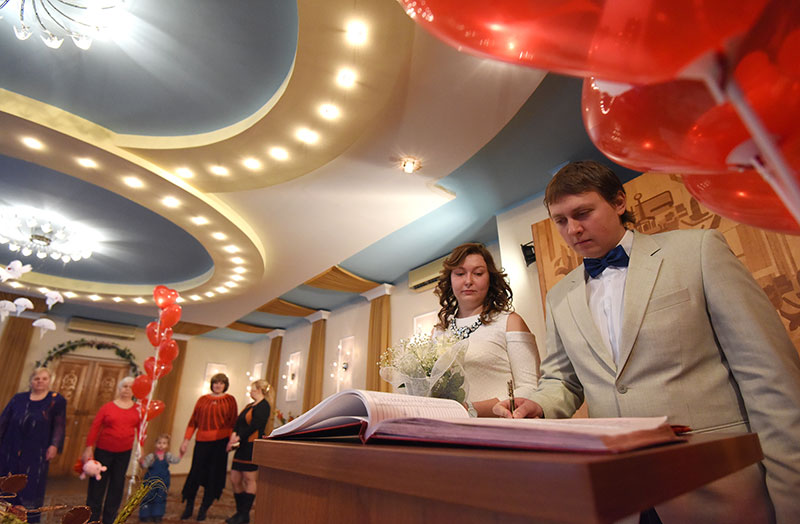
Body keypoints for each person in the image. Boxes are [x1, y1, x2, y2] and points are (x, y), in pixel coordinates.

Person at [494, 160, 800, 523]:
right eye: (560, 220)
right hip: (622, 495)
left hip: (715, 483)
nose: (572, 229)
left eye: (583, 213)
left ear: (619, 202)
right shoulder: (560, 296)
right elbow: (562, 379)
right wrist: (539, 405)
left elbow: (769, 376)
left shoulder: (698, 252)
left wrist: (792, 498)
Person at [433, 242, 540, 417]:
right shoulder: (439, 331)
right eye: (460, 273)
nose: (468, 281)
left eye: (478, 273)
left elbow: (530, 388)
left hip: (499, 424)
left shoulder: (510, 321)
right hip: (449, 425)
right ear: (450, 279)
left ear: (490, 278)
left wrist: (470, 409)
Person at [0, 367, 66, 523]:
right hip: (10, 448)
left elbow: (59, 425)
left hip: (36, 451)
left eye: (44, 378)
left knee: (30, 486)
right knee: (6, 482)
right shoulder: (18, 398)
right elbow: (4, 421)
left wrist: (54, 445)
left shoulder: (56, 400)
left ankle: (28, 520)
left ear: (50, 381)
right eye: (37, 378)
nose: (40, 381)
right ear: (31, 381)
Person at [179, 373, 237, 521]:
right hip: (202, 442)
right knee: (195, 475)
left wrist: (231, 441)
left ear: (225, 385)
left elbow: (232, 422)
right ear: (212, 384)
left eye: (221, 383)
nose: (218, 385)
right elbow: (193, 422)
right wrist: (186, 441)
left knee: (213, 477)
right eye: (216, 382)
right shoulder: (202, 400)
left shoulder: (230, 400)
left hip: (220, 443)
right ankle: (189, 506)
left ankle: (204, 508)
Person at [83, 376, 141, 524]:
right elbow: (95, 427)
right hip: (103, 451)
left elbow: (142, 431)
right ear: (119, 388)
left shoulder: (138, 409)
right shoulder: (107, 407)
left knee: (117, 486)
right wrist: (89, 447)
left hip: (124, 453)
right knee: (97, 486)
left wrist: (141, 448)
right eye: (124, 386)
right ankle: (92, 518)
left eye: (130, 387)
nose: (127, 389)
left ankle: (110, 519)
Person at [225, 379, 274, 524]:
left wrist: (239, 436)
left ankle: (243, 514)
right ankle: (241, 512)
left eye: (253, 389)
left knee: (249, 479)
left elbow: (255, 426)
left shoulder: (264, 406)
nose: (251, 391)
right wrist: (234, 434)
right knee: (235, 478)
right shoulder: (249, 406)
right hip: (242, 446)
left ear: (259, 390)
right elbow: (238, 422)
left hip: (252, 446)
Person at [138, 433, 181, 523]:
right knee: (148, 496)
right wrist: (141, 461)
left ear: (167, 445)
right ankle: (145, 514)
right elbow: (144, 465)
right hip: (150, 480)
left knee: (161, 497)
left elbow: (176, 461)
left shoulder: (168, 456)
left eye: (164, 443)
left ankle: (157, 515)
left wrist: (181, 454)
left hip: (163, 480)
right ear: (155, 444)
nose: (161, 445)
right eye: (159, 443)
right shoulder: (151, 456)